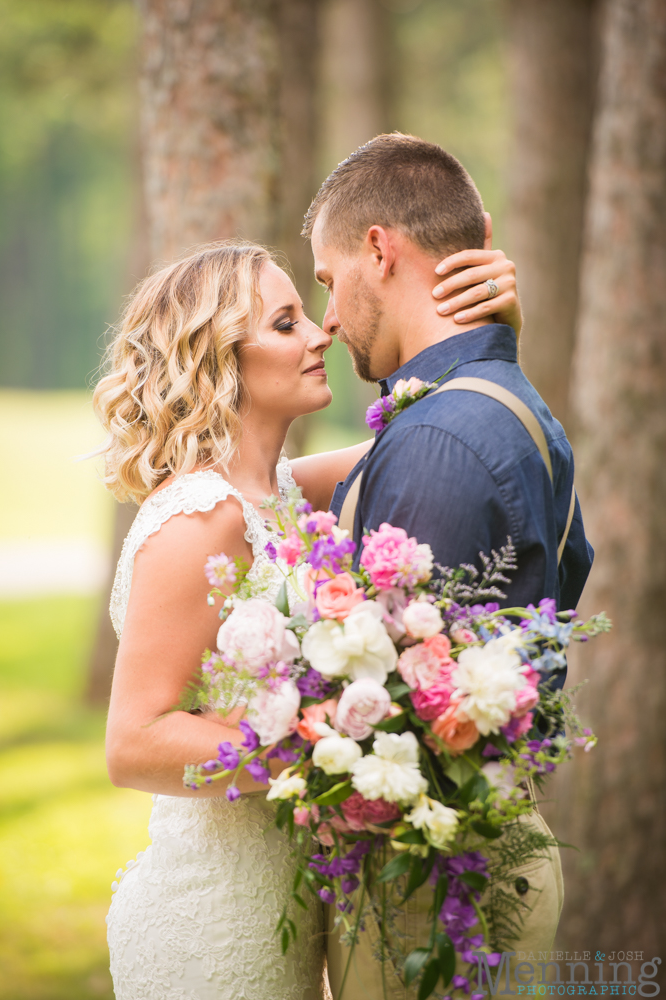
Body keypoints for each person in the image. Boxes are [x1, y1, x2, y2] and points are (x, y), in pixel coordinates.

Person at [97, 237, 521, 1000]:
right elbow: (133, 742)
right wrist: (336, 760)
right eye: (286, 323)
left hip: (290, 908)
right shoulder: (199, 519)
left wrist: (491, 327)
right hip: (216, 922)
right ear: (219, 357)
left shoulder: (283, 493)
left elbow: (435, 429)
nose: (321, 334)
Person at [295, 133, 594, 998]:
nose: (324, 321)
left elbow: (395, 712)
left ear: (379, 250)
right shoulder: (498, 409)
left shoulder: (438, 442)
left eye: (325, 280)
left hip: (432, 894)